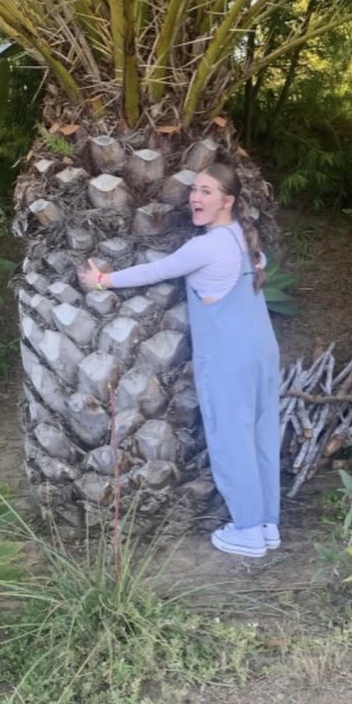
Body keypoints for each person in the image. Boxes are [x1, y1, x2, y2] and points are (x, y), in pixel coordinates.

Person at [80, 162, 281, 558]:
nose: (195, 197)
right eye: (195, 190)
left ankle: (246, 531)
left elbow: (156, 270)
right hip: (262, 352)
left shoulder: (206, 246)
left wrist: (102, 280)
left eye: (207, 191)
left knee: (230, 440)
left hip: (229, 358)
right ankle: (266, 524)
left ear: (228, 200)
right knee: (261, 435)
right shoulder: (244, 237)